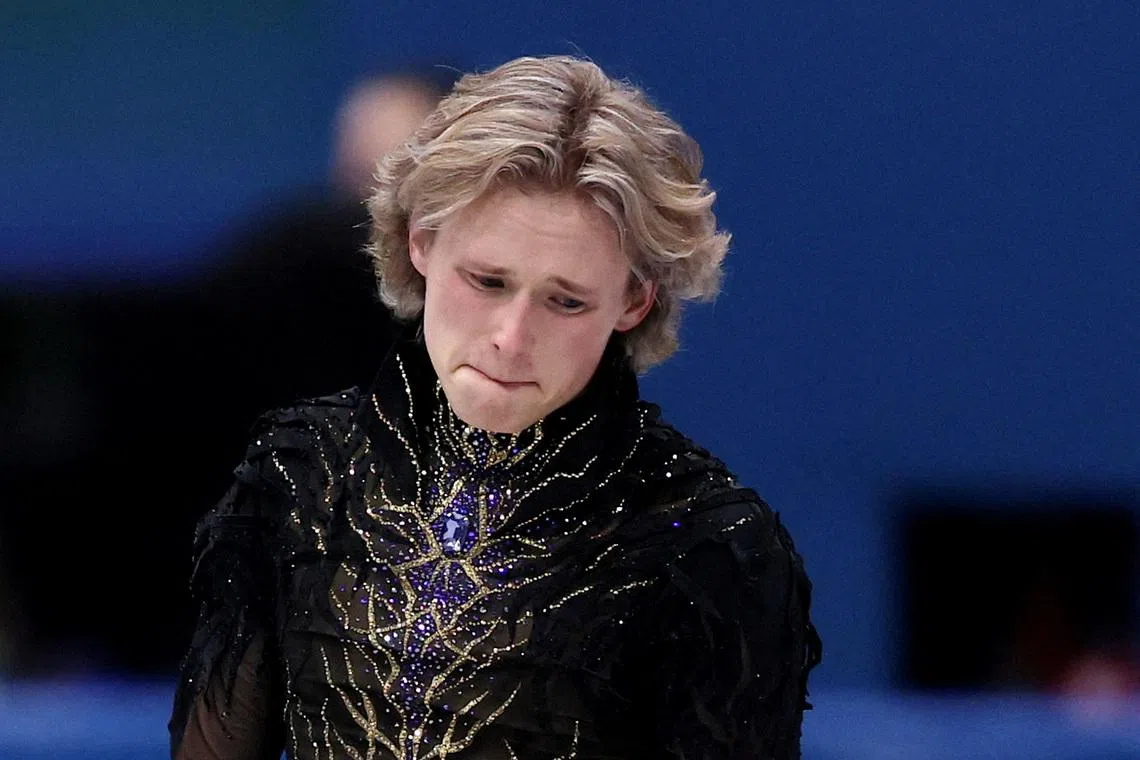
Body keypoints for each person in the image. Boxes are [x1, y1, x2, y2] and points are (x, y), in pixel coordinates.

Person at [169, 54, 822, 759]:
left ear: (635, 301)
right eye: (486, 281)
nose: (512, 338)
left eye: (565, 301)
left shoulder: (710, 547)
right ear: (422, 242)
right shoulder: (301, 473)